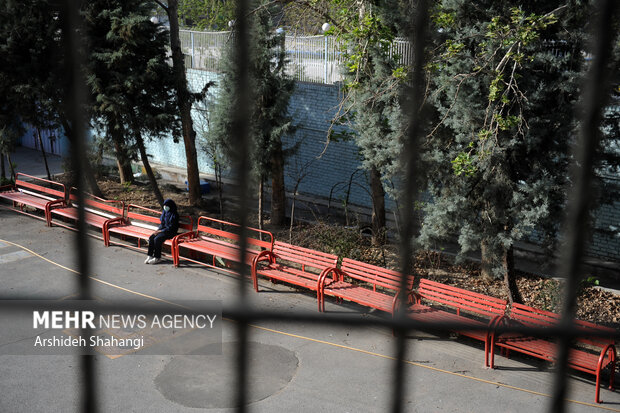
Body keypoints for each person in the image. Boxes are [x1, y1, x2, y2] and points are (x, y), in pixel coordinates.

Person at [145, 199, 179, 264]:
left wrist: (161, 231)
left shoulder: (174, 214)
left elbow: (171, 227)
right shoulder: (165, 212)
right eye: (164, 205)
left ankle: (157, 257)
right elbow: (162, 223)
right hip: (162, 231)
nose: (165, 207)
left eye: (167, 205)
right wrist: (158, 230)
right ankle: (150, 255)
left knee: (157, 239)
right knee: (152, 237)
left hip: (170, 232)